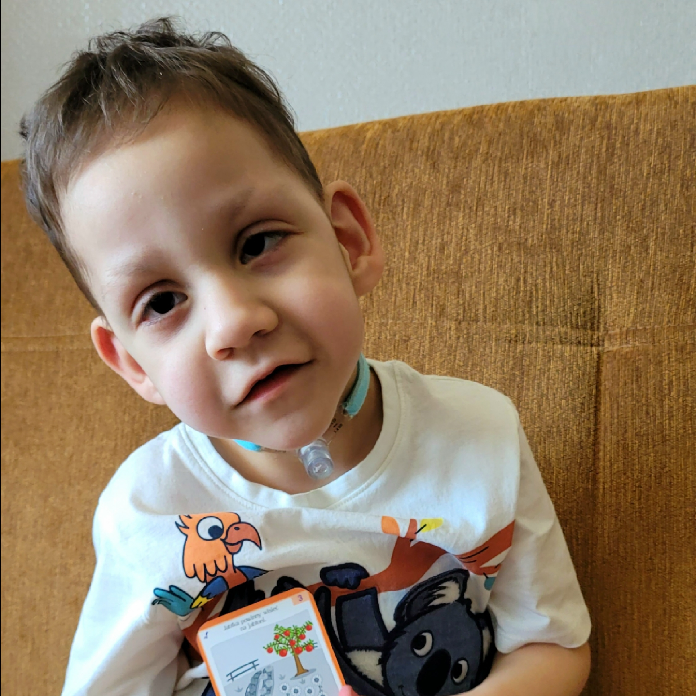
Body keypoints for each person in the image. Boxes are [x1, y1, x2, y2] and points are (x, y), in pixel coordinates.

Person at [20, 17, 591, 696]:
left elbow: (552, 648)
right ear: (133, 363)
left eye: (257, 243)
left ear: (347, 241)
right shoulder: (147, 509)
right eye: (164, 301)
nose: (234, 322)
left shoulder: (478, 434)